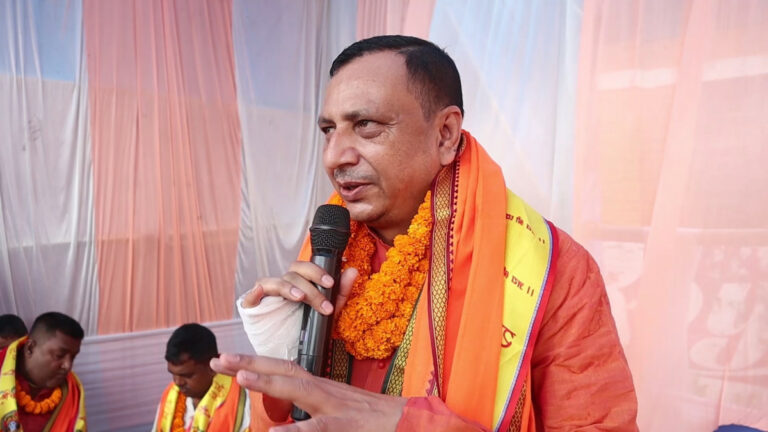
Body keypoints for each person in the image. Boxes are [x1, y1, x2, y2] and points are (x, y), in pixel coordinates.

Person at [214, 35, 638, 431]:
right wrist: (288, 356)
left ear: (445, 134)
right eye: (328, 130)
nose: (334, 157)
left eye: (366, 125)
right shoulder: (329, 248)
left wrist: (405, 422)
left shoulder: (553, 269)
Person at [152, 323, 250, 432]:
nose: (178, 382)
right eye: (173, 374)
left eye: (187, 375)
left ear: (212, 367)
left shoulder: (242, 399)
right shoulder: (170, 396)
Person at [0, 311, 87, 431]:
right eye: (59, 355)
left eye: (73, 357)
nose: (68, 366)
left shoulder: (72, 391)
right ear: (30, 348)